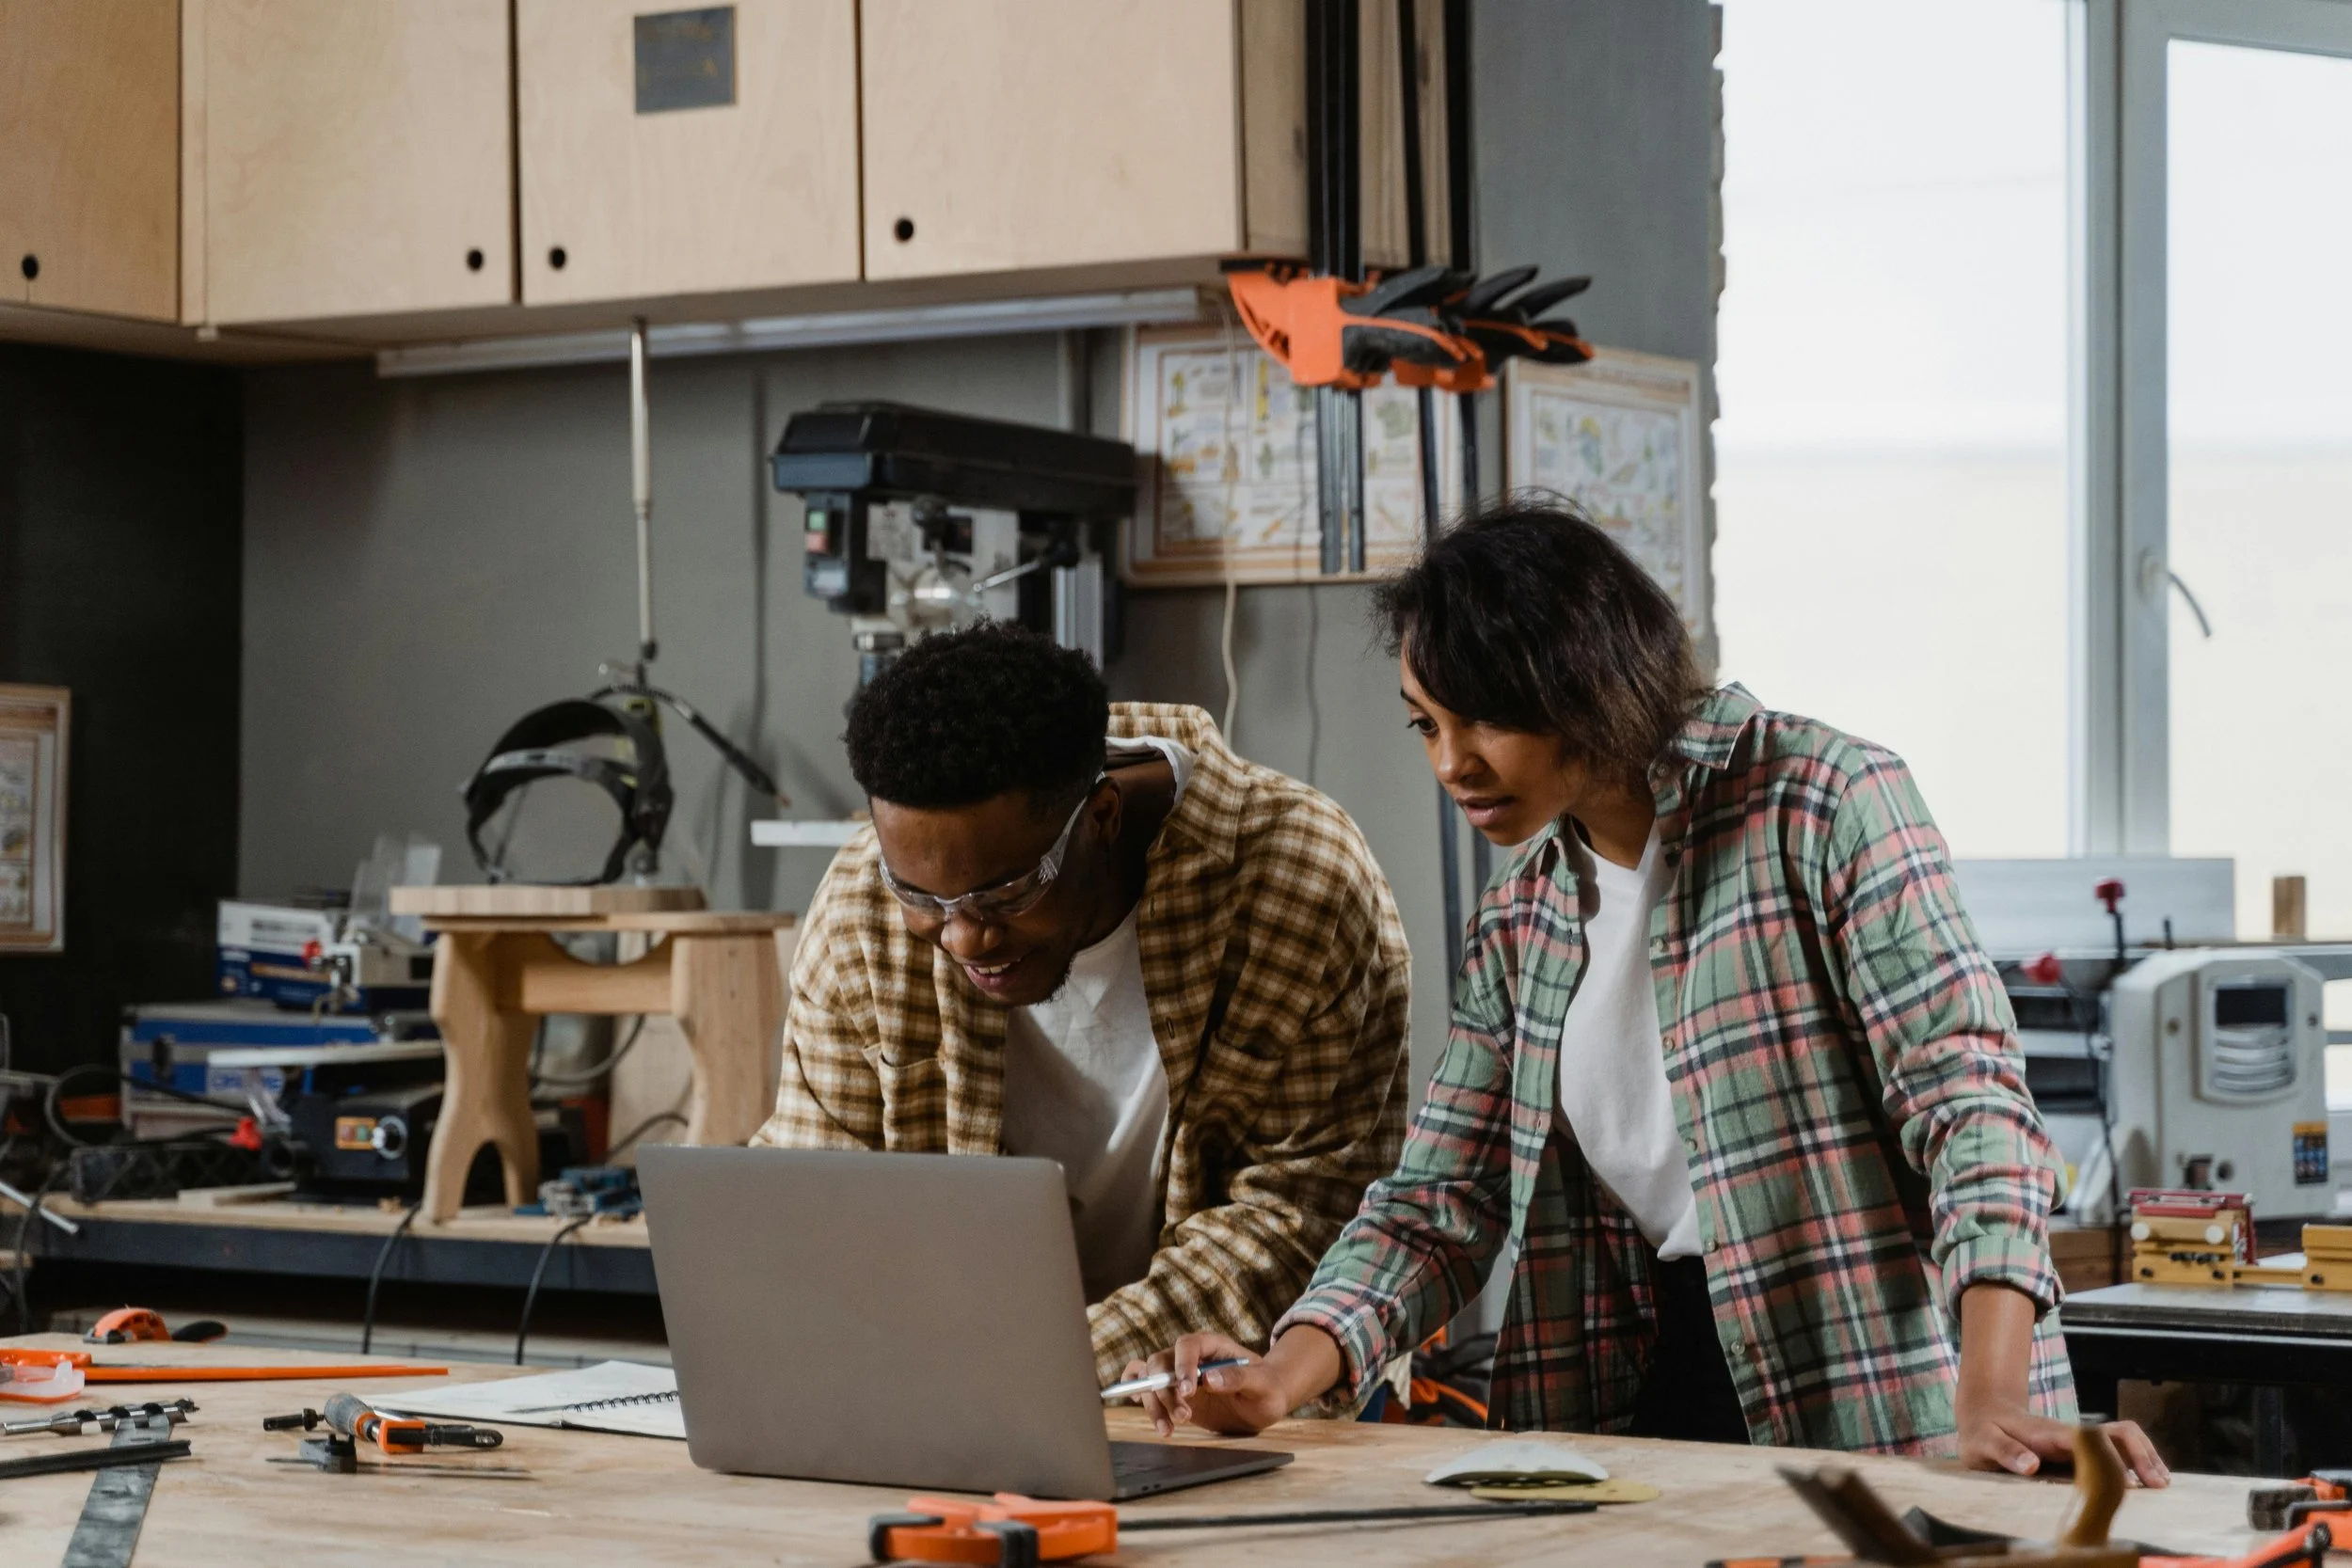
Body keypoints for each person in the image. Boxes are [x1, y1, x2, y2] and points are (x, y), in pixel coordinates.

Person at [1124, 500, 2167, 1484]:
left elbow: (1971, 1110)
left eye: (1481, 718)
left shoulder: (1824, 802)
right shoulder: (1522, 919)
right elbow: (1438, 1202)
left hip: (1884, 1395)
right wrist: (1277, 1373)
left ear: (1581, 677)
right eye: (1424, 727)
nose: (1452, 763)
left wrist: (1987, 1397)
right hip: (1638, 1393)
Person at [750, 620, 1414, 1387]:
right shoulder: (862, 900)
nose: (965, 936)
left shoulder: (1299, 881)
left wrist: (1034, 1365)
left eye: (1007, 892)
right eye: (924, 896)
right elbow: (815, 1191)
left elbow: (1300, 1219)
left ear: (1100, 818)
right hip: (951, 1386)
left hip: (1217, 1399)